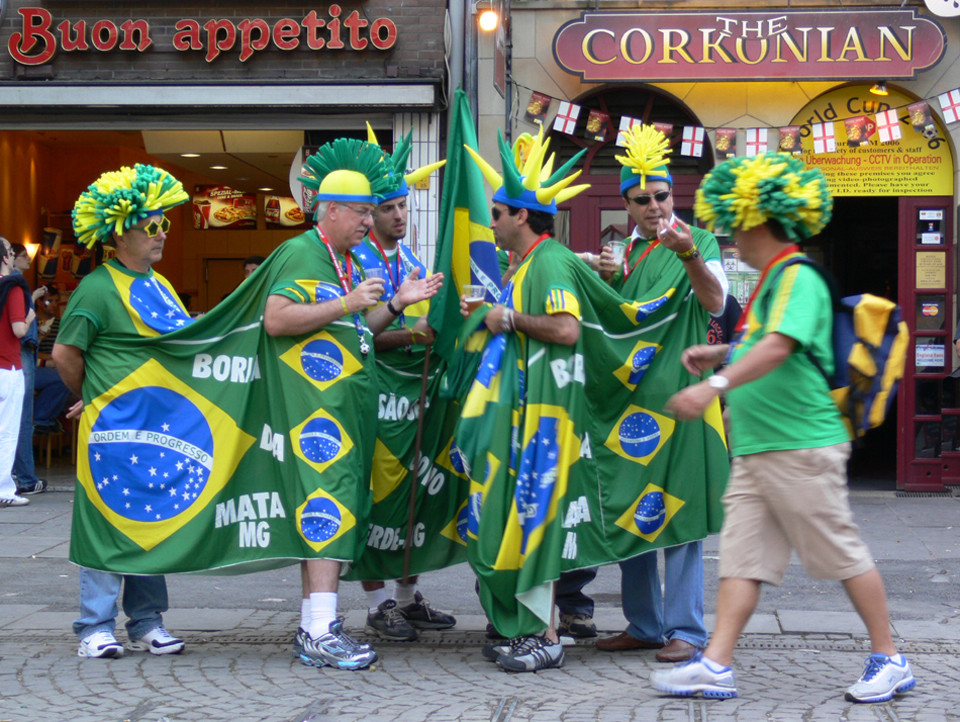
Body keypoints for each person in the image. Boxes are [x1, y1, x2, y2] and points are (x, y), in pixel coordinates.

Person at [653, 152, 915, 703]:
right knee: (744, 559)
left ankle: (890, 658)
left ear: (760, 219)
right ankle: (716, 665)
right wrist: (719, 351)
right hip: (758, 448)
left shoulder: (798, 277)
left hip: (800, 445)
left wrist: (712, 387)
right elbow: (762, 344)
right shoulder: (775, 281)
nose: (731, 234)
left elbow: (781, 345)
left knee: (840, 552)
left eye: (736, 222)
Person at [262, 137, 442, 670]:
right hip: (317, 416)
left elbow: (357, 331)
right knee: (326, 516)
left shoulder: (338, 260)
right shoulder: (303, 252)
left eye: (373, 213)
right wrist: (346, 302)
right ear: (331, 209)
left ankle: (317, 623)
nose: (369, 223)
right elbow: (276, 319)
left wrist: (394, 304)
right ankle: (319, 630)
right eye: (363, 212)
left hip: (344, 412)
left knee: (335, 518)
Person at [593, 123, 728, 663]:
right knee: (633, 510)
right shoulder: (621, 251)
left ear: (675, 194)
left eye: (661, 196)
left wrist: (691, 253)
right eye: (640, 199)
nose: (653, 206)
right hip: (632, 403)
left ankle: (687, 632)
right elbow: (613, 324)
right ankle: (644, 625)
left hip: (684, 397)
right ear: (625, 203)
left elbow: (716, 302)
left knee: (683, 516)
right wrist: (606, 280)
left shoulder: (703, 240)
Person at [460, 127, 592, 672]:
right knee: (516, 529)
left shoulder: (551, 262)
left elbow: (566, 330)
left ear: (521, 215)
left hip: (545, 422)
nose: (489, 222)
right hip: (523, 420)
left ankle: (547, 637)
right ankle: (530, 630)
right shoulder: (526, 264)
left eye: (496, 213)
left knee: (536, 528)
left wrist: (505, 318)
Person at [53, 163, 193, 659]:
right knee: (107, 521)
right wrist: (94, 395)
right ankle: (94, 624)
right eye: (150, 226)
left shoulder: (161, 284)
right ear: (119, 231)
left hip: (157, 428)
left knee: (151, 517)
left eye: (165, 225)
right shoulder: (97, 288)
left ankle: (148, 621)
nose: (161, 235)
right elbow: (65, 355)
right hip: (112, 431)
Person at [352, 128, 455, 642]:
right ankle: (377, 603)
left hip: (414, 400)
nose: (399, 214)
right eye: (388, 207)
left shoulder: (413, 260)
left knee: (413, 497)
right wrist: (410, 331)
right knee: (376, 500)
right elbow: (356, 333)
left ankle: (410, 599)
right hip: (373, 397)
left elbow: (429, 320)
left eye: (402, 205)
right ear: (367, 213)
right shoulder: (354, 261)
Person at [9, 242, 48, 496]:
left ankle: (15, 473)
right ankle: (25, 476)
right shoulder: (16, 283)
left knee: (10, 416)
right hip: (22, 350)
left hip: (10, 354)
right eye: (19, 255)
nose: (26, 259)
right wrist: (32, 301)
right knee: (23, 416)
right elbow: (21, 325)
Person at [0, 237, 35, 507]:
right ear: (5, 258)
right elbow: (19, 330)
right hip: (8, 366)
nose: (14, 256)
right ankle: (4, 489)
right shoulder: (12, 287)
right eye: (11, 252)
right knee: (7, 431)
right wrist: (31, 313)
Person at [31, 286, 73, 433]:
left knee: (67, 379)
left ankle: (46, 419)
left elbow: (64, 352)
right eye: (50, 301)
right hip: (31, 368)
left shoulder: (61, 324)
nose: (54, 305)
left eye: (56, 301)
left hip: (51, 368)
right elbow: (26, 352)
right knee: (61, 379)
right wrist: (46, 359)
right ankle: (40, 419)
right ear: (39, 303)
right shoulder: (30, 321)